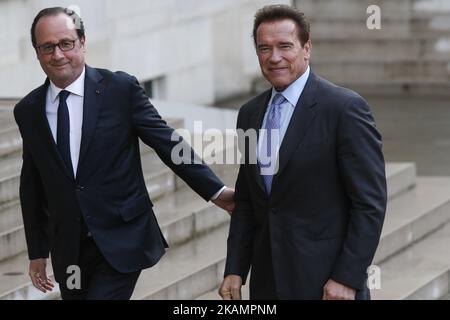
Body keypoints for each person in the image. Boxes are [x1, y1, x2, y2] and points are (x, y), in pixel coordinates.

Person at [14, 7, 234, 300]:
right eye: (48, 47)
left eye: (66, 43)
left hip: (122, 238)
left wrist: (215, 190)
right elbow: (32, 183)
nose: (58, 55)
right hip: (69, 251)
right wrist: (37, 251)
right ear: (37, 52)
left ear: (83, 42)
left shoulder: (120, 89)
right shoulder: (28, 111)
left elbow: (168, 143)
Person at [219, 4, 387, 300]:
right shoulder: (249, 114)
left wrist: (346, 278)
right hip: (268, 283)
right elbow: (247, 200)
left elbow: (369, 204)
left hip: (327, 285)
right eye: (264, 48)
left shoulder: (344, 109)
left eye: (285, 46)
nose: (274, 57)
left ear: (306, 48)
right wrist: (235, 268)